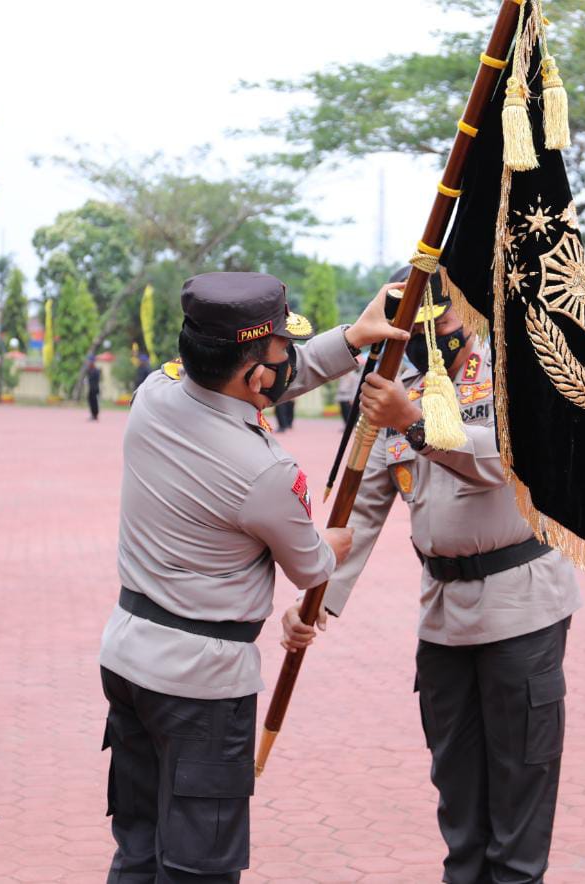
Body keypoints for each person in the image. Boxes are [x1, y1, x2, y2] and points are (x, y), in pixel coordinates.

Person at [97, 271, 406, 883]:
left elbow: (256, 388)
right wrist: (332, 544)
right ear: (255, 374)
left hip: (129, 659)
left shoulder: (155, 394)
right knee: (198, 867)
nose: (288, 360)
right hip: (201, 688)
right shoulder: (264, 469)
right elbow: (311, 568)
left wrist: (351, 340)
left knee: (139, 851)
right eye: (280, 352)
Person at [324, 274, 581, 884]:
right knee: (457, 790)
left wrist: (414, 421)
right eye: (410, 320)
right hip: (442, 611)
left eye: (435, 317)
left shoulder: (513, 369)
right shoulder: (395, 386)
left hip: (520, 605)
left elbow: (503, 462)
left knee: (519, 784)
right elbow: (361, 506)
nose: (422, 332)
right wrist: (316, 602)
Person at [336, 361, 360, 425]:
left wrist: (353, 398)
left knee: (348, 413)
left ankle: (351, 425)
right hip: (341, 396)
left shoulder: (354, 376)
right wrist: (338, 398)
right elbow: (339, 387)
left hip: (348, 396)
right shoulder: (342, 375)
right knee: (343, 413)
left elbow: (354, 388)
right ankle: (345, 425)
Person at [86, 356, 102, 421]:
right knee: (90, 401)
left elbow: (97, 380)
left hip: (95, 389)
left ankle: (95, 415)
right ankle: (93, 414)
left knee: (95, 402)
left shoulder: (96, 370)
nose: (89, 363)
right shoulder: (89, 370)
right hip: (91, 389)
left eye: (90, 361)